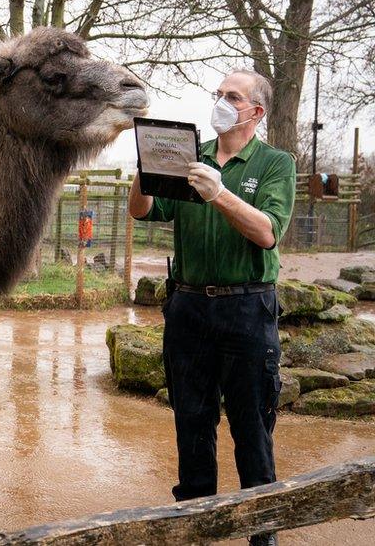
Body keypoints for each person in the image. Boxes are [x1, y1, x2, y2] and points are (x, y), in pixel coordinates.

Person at [129, 69, 295, 546]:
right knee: (192, 425)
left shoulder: (274, 164)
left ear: (256, 112)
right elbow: (143, 211)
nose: (221, 101)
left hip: (247, 309)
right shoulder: (192, 157)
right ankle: (194, 533)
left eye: (233, 96)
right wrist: (146, 167)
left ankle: (261, 535)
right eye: (218, 94)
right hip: (187, 309)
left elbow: (267, 232)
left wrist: (219, 193)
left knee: (252, 429)